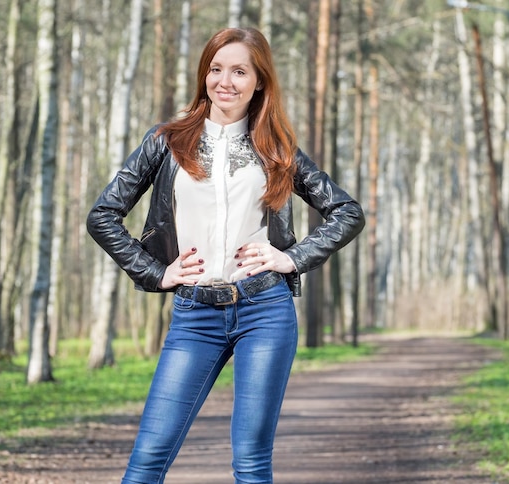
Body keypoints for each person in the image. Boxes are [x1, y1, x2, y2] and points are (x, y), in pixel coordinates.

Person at [87, 27, 365, 484]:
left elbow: (346, 212)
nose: (225, 81)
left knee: (252, 463)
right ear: (204, 75)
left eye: (240, 71)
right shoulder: (166, 141)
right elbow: (102, 216)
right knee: (147, 460)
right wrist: (156, 273)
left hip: (265, 311)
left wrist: (291, 259)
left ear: (260, 82)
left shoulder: (277, 148)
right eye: (216, 69)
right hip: (194, 313)